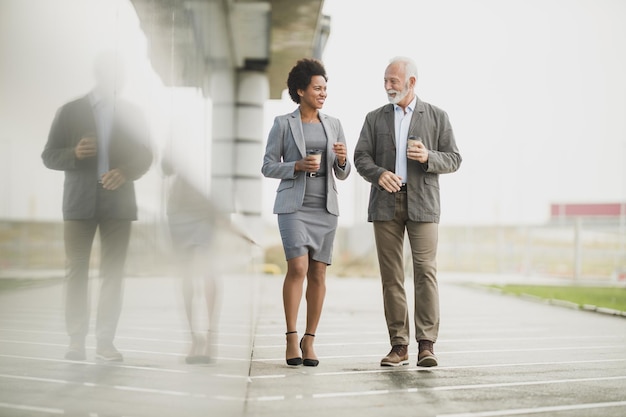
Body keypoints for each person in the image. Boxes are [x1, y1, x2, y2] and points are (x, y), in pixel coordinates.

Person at [42, 50, 152, 362]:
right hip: (78, 203)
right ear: (101, 75)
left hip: (119, 202)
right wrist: (74, 153)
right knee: (76, 270)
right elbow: (49, 155)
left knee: (113, 273)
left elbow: (146, 155)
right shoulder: (70, 112)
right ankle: (76, 340)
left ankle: (105, 342)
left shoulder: (132, 114)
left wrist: (126, 172)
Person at [353, 56, 461, 368]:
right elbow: (361, 157)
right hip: (385, 203)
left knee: (425, 272)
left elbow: (454, 158)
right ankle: (398, 346)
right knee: (392, 277)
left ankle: (426, 345)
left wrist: (428, 157)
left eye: (393, 81)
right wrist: (378, 174)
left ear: (411, 82)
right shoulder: (374, 118)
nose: (387, 86)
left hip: (424, 203)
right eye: (385, 81)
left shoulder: (437, 116)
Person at [262, 58, 351, 367]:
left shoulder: (334, 124)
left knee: (318, 272)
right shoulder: (283, 124)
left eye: (325, 88)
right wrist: (296, 166)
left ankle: (309, 339)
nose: (322, 93)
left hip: (325, 208)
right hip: (293, 207)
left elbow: (343, 173)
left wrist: (341, 159)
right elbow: (268, 165)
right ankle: (290, 336)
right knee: (298, 268)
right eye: (317, 88)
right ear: (300, 91)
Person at [161, 143, 220, 365]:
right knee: (185, 273)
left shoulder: (206, 146)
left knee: (207, 270)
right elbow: (165, 169)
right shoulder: (175, 143)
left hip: (204, 209)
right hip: (178, 210)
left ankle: (211, 335)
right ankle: (193, 337)